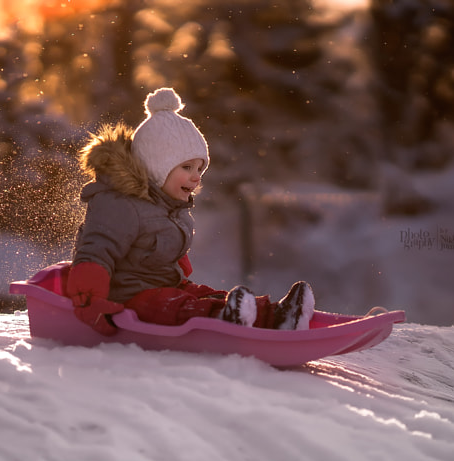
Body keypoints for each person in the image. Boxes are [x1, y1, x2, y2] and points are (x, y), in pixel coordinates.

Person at [67, 87, 315, 336]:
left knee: (205, 295)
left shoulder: (169, 206)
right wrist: (91, 302)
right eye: (187, 167)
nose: (196, 178)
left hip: (166, 286)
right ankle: (224, 321)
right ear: (156, 168)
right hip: (127, 297)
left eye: (200, 169)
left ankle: (277, 316)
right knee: (180, 308)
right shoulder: (119, 205)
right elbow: (95, 252)